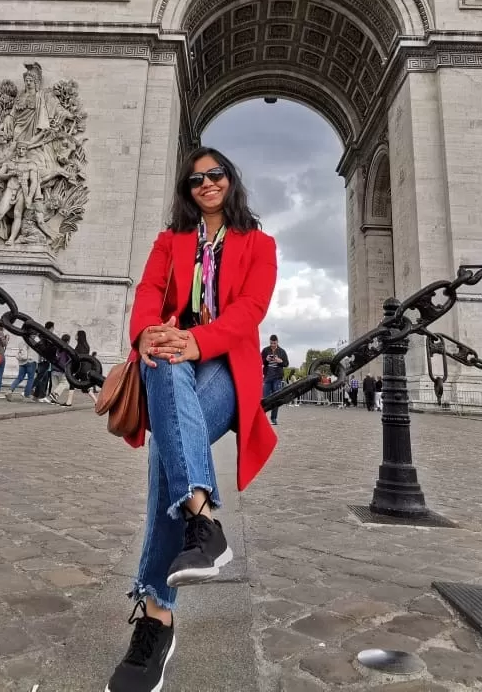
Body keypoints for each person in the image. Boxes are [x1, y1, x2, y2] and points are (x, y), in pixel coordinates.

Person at [104, 147, 277, 692]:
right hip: (170, 367)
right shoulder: (169, 242)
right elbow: (149, 294)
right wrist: (146, 334)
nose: (206, 183)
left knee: (168, 443)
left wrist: (193, 339)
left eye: (216, 174)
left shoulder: (260, 244)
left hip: (227, 365)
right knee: (157, 352)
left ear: (231, 178)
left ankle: (157, 614)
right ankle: (201, 520)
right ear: (186, 188)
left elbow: (251, 310)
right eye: (196, 178)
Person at [260, 335, 288, 426]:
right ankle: (261, 418)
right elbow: (260, 361)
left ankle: (274, 418)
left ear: (277, 342)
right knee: (264, 398)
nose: (272, 345)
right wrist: (266, 360)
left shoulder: (282, 351)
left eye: (274, 343)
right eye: (271, 343)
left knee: (276, 398)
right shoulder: (265, 350)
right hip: (267, 377)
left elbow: (286, 363)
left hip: (277, 377)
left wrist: (280, 361)